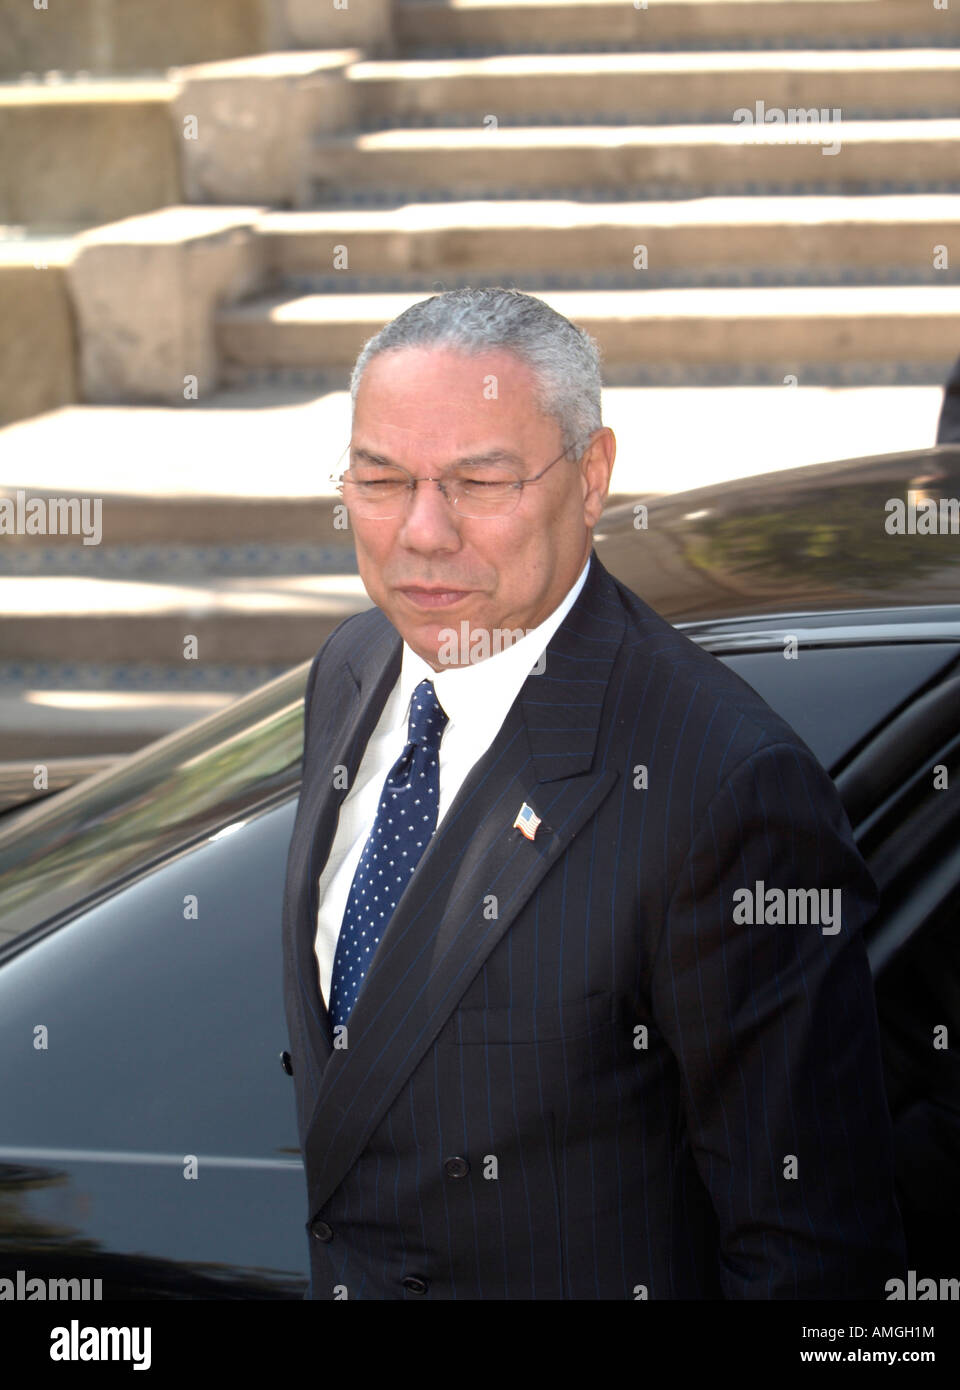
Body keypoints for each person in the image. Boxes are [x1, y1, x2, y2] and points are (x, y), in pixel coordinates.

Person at [281, 287, 906, 1300]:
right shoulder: (352, 666)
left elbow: (812, 1249)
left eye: (479, 482)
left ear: (592, 476)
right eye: (381, 478)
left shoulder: (725, 792)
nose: (421, 532)